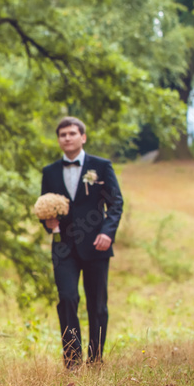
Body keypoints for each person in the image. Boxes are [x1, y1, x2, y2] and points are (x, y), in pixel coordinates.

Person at [39, 117, 123, 369]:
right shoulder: (50, 172)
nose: (67, 137)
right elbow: (44, 208)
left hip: (97, 245)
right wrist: (47, 224)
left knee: (97, 304)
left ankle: (95, 359)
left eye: (72, 133)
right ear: (59, 140)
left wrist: (108, 232)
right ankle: (72, 361)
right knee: (67, 298)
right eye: (63, 134)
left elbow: (116, 203)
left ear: (83, 137)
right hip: (64, 247)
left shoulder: (101, 166)